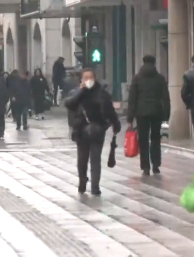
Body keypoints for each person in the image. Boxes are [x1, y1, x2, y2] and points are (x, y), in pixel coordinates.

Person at [64, 68, 121, 196]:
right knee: (82, 159)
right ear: (81, 79)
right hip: (80, 130)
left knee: (95, 159)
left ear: (95, 79)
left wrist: (115, 124)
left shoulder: (102, 93)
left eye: (90, 78)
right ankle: (82, 180)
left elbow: (110, 110)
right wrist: (81, 91)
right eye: (85, 78)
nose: (88, 80)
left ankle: (95, 187)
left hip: (97, 130)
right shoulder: (75, 93)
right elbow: (69, 104)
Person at [127, 55, 170, 176]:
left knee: (143, 139)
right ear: (154, 63)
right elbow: (165, 98)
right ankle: (156, 164)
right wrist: (166, 114)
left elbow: (132, 99)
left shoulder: (137, 78)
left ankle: (145, 167)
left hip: (141, 113)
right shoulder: (160, 78)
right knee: (156, 138)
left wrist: (130, 118)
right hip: (156, 112)